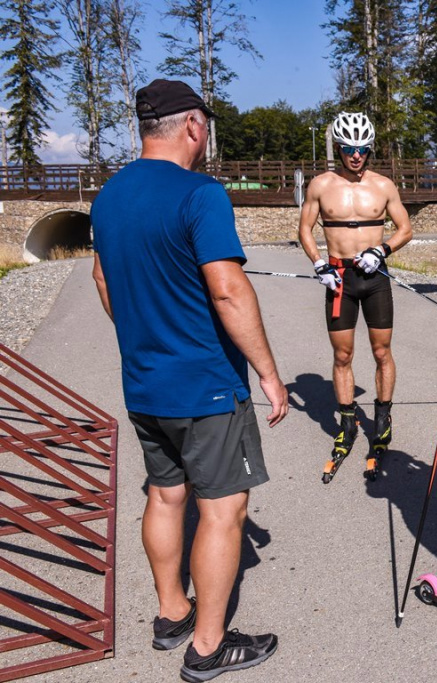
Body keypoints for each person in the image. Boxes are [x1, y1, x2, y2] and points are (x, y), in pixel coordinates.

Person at [90, 78, 288, 681]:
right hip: (203, 382)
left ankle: (171, 612)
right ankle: (207, 646)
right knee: (224, 509)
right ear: (194, 126)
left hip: (144, 382)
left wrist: (144, 332)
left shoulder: (109, 195)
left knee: (165, 494)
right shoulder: (202, 194)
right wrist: (270, 374)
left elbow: (103, 280)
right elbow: (228, 290)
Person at [298, 112, 413, 482]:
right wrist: (319, 264)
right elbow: (304, 228)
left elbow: (406, 228)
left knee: (382, 352)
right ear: (338, 148)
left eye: (363, 149)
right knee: (343, 355)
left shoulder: (383, 185)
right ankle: (347, 424)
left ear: (370, 149)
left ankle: (382, 420)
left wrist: (382, 250)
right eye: (349, 149)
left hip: (374, 276)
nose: (356, 156)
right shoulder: (320, 185)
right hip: (340, 280)